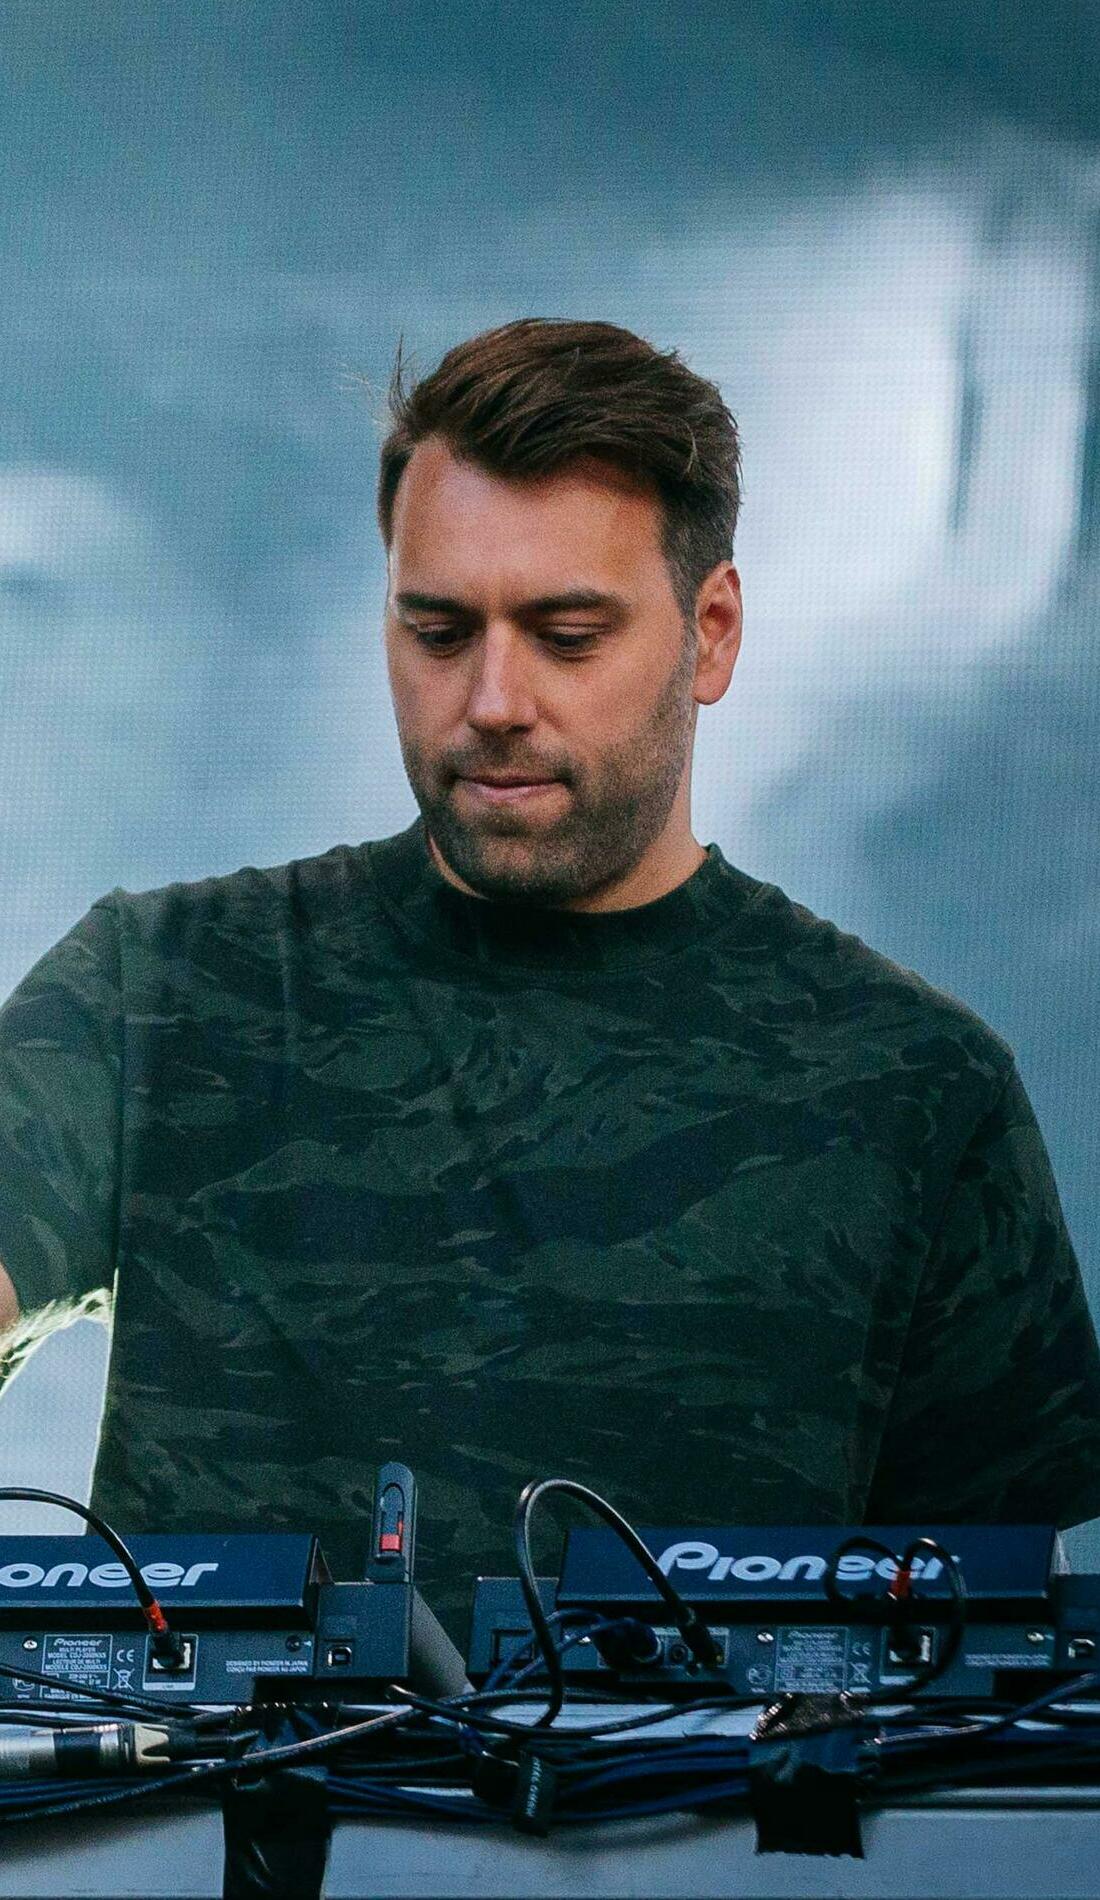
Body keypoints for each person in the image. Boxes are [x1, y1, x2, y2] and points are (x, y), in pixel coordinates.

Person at [1, 317, 1099, 1648]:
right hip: (203, 1795)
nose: (494, 700)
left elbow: (985, 1671)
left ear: (712, 634)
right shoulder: (158, 990)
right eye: (438, 631)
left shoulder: (920, 1088)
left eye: (567, 635)